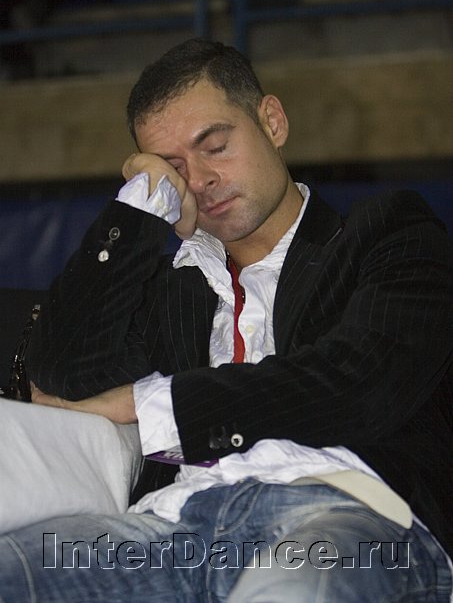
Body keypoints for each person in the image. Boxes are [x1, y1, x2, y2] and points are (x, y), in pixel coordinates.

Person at [1, 38, 451, 602]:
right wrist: (142, 202)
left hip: (344, 513)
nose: (200, 179)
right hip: (173, 526)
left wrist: (147, 404)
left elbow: (362, 382)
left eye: (214, 146)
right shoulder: (170, 293)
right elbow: (61, 371)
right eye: (174, 168)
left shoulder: (388, 233)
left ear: (272, 122)